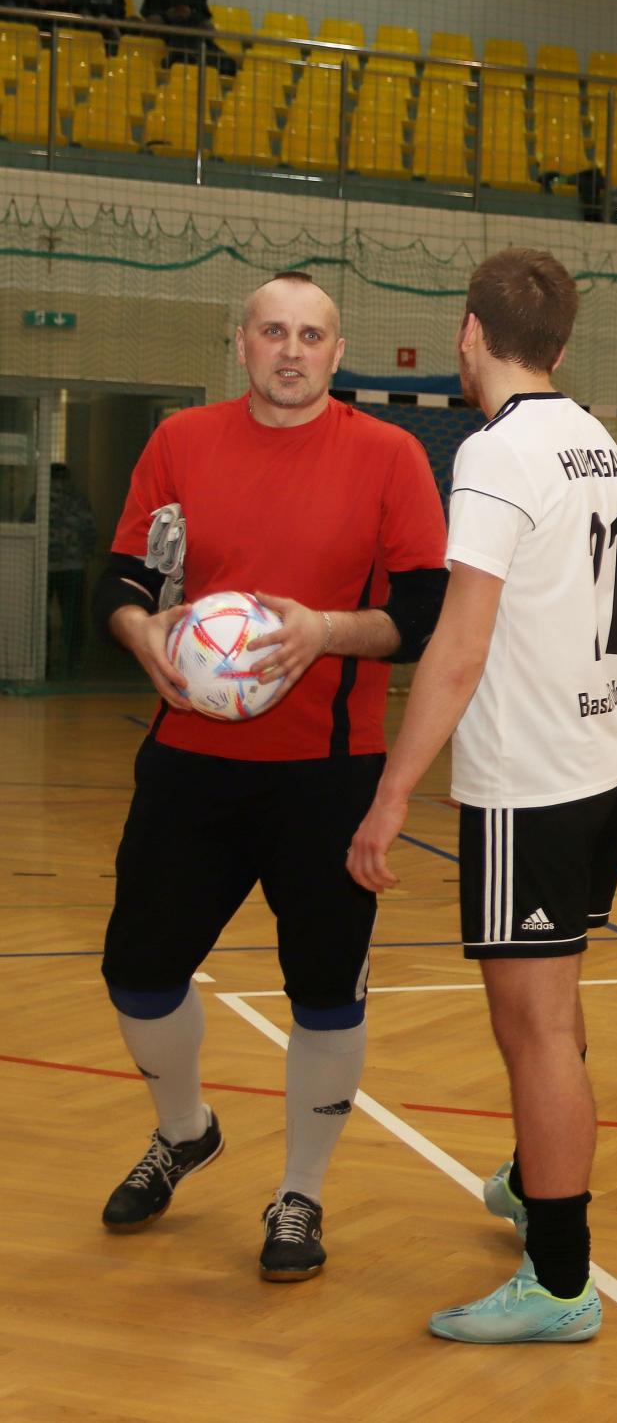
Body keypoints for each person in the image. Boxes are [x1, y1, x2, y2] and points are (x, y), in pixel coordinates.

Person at [91, 271, 447, 1282]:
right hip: (189, 765)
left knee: (325, 995)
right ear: (241, 342)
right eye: (274, 331)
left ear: (337, 353)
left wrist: (326, 630)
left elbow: (423, 613)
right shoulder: (181, 443)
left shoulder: (389, 455)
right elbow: (122, 577)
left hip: (326, 775)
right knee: (138, 976)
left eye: (312, 335)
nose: (292, 350)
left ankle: (300, 1191)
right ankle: (185, 1130)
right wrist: (140, 630)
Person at [345, 249, 617, 1343]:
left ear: (469, 333)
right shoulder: (596, 437)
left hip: (534, 780)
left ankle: (559, 1280)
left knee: (536, 1029)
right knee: (552, 1011)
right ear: (560, 343)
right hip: (608, 758)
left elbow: (459, 646)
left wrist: (391, 793)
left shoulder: (494, 452)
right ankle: (533, 1176)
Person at [46, 460, 95, 675]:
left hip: (45, 567)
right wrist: (86, 556)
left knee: (41, 616)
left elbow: (27, 522)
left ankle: (43, 661)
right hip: (73, 566)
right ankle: (72, 663)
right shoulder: (78, 500)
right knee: (72, 617)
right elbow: (90, 530)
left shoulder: (40, 500)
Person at [141, 0, 215, 68]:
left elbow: (204, 15)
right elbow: (146, 11)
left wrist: (190, 14)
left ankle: (194, 57)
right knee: (154, 20)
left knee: (208, 26)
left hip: (189, 28)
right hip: (164, 27)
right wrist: (167, 15)